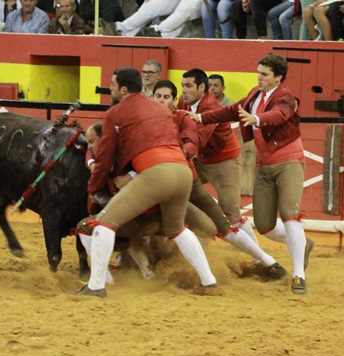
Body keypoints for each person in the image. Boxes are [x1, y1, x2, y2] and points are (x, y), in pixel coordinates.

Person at [77, 66, 218, 298]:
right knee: (177, 229)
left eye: (112, 84)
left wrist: (93, 188)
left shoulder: (115, 113)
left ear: (123, 89)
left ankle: (96, 286)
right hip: (182, 171)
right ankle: (209, 281)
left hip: (156, 173)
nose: (110, 88)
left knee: (103, 223)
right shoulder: (161, 109)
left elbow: (105, 157)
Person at [189, 54, 315, 294]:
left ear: (278, 77)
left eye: (264, 74)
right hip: (264, 165)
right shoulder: (255, 95)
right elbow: (231, 111)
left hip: (289, 161)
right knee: (265, 225)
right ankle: (302, 243)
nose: (259, 77)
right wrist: (202, 117)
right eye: (258, 73)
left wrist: (256, 118)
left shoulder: (287, 97)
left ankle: (299, 275)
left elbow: (278, 115)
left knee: (289, 213)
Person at [153, 79, 286, 280]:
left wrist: (177, 153)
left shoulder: (187, 116)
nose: (162, 100)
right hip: (187, 171)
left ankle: (265, 262)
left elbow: (194, 142)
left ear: (174, 100)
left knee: (228, 216)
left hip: (212, 166)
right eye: (158, 96)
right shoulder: (161, 116)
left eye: (166, 97)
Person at [177, 68, 258, 247]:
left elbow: (197, 140)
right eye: (182, 85)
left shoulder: (211, 107)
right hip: (200, 160)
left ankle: (258, 254)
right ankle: (199, 238)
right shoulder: (183, 101)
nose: (183, 90)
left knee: (231, 211)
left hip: (224, 160)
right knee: (177, 194)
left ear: (201, 87)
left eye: (188, 86)